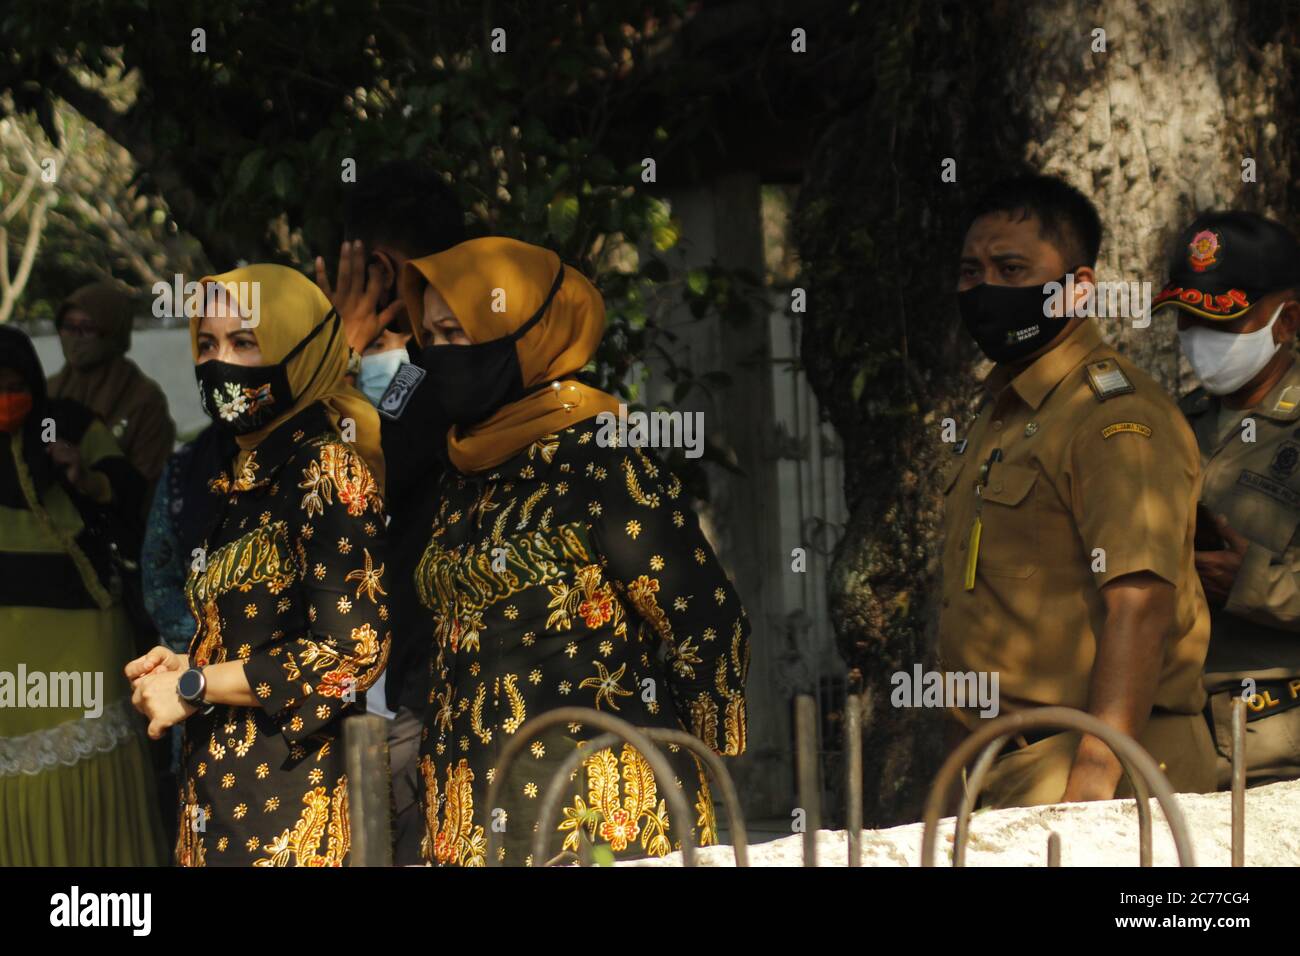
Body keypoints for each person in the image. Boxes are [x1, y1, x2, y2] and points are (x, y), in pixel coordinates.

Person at [398, 236, 750, 865]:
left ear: (528, 333)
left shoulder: (600, 458)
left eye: (458, 332)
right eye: (430, 337)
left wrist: (675, 752)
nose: (438, 355)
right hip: (469, 813)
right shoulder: (462, 472)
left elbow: (709, 621)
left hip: (599, 818)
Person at [940, 174, 1215, 808]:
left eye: (1012, 269)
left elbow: (1139, 605)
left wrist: (1091, 792)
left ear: (1077, 288)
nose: (985, 289)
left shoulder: (1114, 418)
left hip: (1099, 772)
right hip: (1013, 767)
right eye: (970, 271)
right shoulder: (1002, 410)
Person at [125, 264, 391, 866]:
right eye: (207, 344)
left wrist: (193, 686)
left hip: (288, 806)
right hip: (217, 799)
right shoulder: (238, 478)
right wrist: (193, 662)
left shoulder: (325, 470)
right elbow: (265, 636)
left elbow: (352, 653)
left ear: (299, 353)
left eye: (245, 343)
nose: (221, 363)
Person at [314, 158, 465, 865]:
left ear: (376, 264)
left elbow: (351, 485)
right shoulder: (419, 372)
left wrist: (332, 360)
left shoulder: (448, 377)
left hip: (419, 691)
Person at [0, 326, 166, 866]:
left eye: (14, 384)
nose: (5, 398)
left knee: (86, 756)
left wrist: (82, 476)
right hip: (7, 639)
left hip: (82, 630)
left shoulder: (64, 421)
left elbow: (130, 492)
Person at [1158, 211, 1300, 787]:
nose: (1199, 339)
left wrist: (1250, 582)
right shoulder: (1171, 424)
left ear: (1288, 320)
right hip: (1175, 739)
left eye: (1222, 322)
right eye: (1187, 320)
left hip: (1280, 749)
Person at [49, 281, 176, 487]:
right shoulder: (49, 390)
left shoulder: (144, 400)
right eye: (68, 327)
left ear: (113, 332)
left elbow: (149, 484)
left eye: (87, 328)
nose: (75, 338)